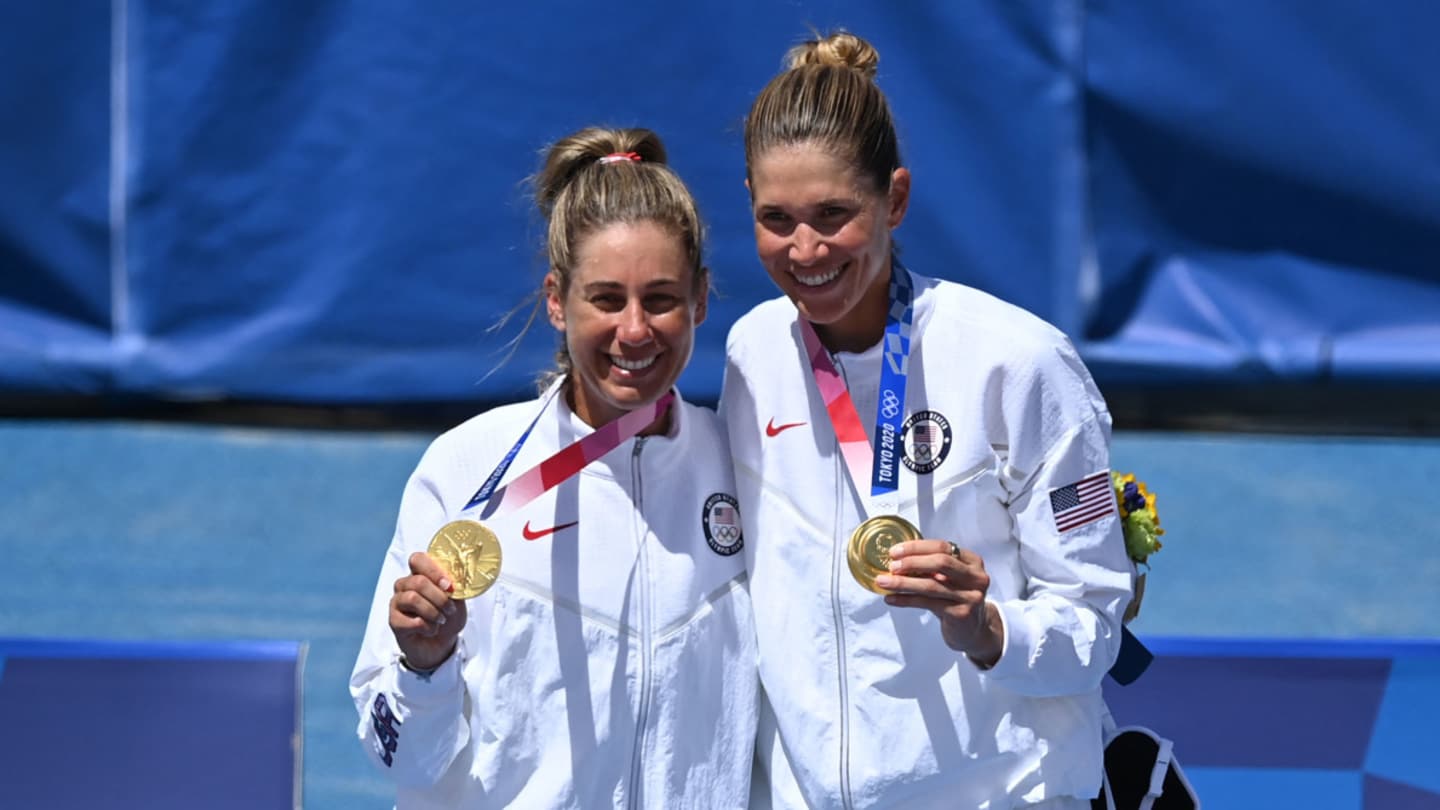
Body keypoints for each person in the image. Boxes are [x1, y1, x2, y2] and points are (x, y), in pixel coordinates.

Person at [720, 31, 1134, 810]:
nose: (805, 250)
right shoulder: (752, 353)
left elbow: (1093, 623)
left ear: (896, 200)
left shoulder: (1019, 364)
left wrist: (988, 629)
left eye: (834, 214)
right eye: (776, 218)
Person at [351, 126, 757, 809]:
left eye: (660, 298)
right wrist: (424, 667)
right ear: (554, 300)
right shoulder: (466, 470)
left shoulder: (742, 467)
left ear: (701, 301)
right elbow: (396, 755)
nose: (634, 330)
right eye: (606, 299)